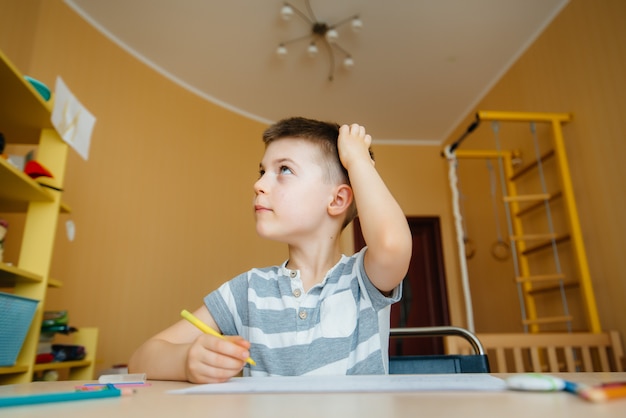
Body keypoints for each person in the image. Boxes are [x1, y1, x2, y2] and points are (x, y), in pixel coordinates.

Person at [129, 117, 412, 383]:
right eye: (262, 172)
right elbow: (141, 360)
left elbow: (392, 244)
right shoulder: (248, 291)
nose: (259, 184)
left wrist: (359, 160)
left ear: (337, 200)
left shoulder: (362, 282)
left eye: (284, 170)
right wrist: (187, 361)